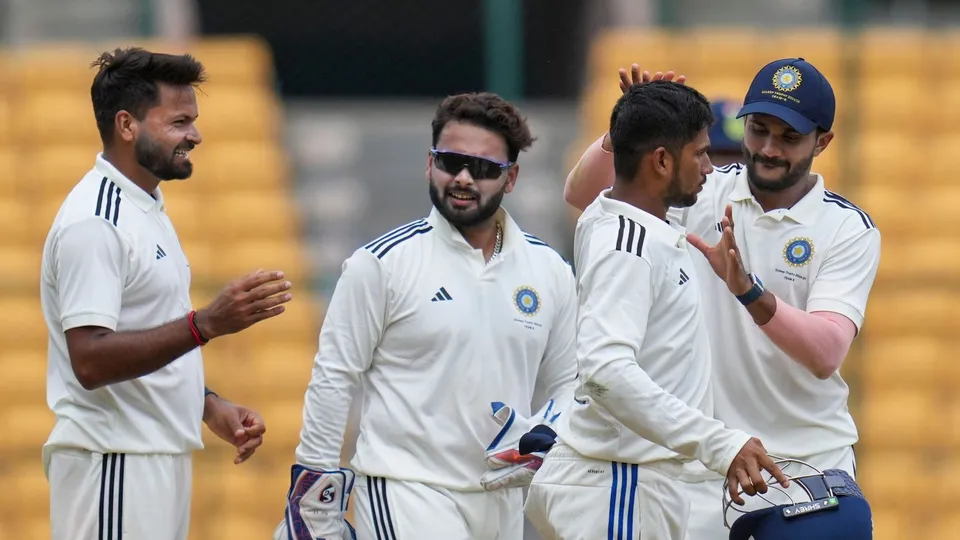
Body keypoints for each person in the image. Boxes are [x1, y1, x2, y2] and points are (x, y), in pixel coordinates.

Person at [562, 59, 881, 540]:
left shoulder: (846, 228)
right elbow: (586, 196)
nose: (769, 149)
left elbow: (825, 352)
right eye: (759, 130)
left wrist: (748, 292)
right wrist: (632, 128)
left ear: (822, 141)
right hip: (703, 466)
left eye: (788, 138)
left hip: (804, 463)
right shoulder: (705, 188)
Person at [274, 92, 578, 540]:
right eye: (450, 161)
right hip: (406, 489)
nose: (462, 178)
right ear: (428, 163)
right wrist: (314, 496)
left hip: (502, 498)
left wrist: (546, 430)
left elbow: (571, 380)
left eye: (484, 168)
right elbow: (334, 379)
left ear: (511, 177)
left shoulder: (549, 269)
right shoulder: (380, 264)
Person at [40, 47, 293, 540]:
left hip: (151, 459)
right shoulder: (96, 220)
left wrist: (206, 405)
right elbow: (89, 361)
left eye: (193, 121)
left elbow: (141, 335)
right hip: (113, 461)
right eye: (179, 122)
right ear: (127, 125)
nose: (194, 135)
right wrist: (208, 324)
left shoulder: (146, 208)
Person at [523, 81, 788, 540]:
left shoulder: (637, 223)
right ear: (662, 160)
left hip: (635, 481)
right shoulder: (628, 245)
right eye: (701, 154)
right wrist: (719, 443)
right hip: (619, 482)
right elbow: (605, 369)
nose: (710, 168)